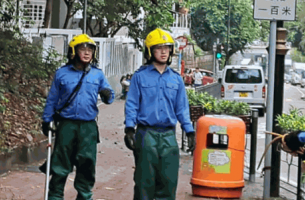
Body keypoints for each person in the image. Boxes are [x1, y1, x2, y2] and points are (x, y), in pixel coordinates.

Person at [124, 28, 195, 200]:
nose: (163, 52)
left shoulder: (176, 79)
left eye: (167, 47)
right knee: (144, 185)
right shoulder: (140, 77)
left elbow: (182, 108)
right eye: (158, 48)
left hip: (169, 137)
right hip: (146, 134)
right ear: (150, 51)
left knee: (168, 183)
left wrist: (190, 131)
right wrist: (129, 129)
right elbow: (132, 104)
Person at [41, 34, 115, 200]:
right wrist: (46, 120)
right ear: (73, 51)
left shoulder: (97, 74)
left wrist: (106, 94)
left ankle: (84, 196)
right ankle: (55, 195)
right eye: (83, 49)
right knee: (60, 164)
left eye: (90, 49)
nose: (87, 52)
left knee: (87, 164)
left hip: (88, 127)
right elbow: (52, 98)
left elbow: (110, 97)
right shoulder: (62, 73)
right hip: (66, 125)